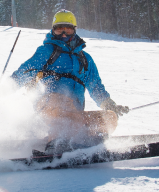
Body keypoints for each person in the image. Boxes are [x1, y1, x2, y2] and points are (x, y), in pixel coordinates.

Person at [11, 10, 129, 153]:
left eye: (68, 29)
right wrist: (7, 87)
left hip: (74, 114)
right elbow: (26, 70)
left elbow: (95, 86)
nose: (64, 34)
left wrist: (109, 104)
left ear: (74, 30)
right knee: (61, 101)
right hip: (48, 107)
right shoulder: (48, 51)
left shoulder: (85, 59)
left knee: (110, 117)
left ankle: (90, 140)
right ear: (53, 30)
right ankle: (56, 142)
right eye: (59, 29)